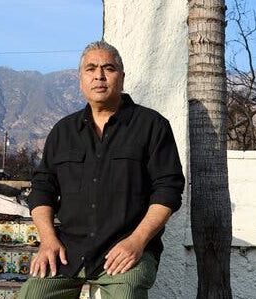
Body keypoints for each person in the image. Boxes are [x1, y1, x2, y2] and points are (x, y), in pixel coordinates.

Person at [18, 40, 185, 299]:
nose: (99, 75)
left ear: (122, 76)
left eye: (108, 68)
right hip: (69, 250)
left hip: (125, 249)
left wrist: (137, 242)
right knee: (33, 294)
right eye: (91, 68)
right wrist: (48, 239)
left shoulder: (152, 126)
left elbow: (168, 192)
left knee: (126, 293)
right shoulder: (63, 131)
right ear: (80, 79)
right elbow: (42, 190)